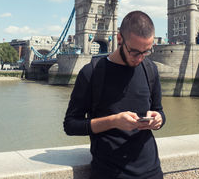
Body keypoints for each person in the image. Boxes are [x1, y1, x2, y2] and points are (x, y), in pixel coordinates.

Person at [63, 10, 166, 179]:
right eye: (134, 52)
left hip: (152, 172)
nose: (140, 58)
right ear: (119, 39)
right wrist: (114, 121)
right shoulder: (92, 73)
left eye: (146, 51)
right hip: (109, 173)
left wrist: (158, 119)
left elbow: (159, 111)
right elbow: (71, 125)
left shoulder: (150, 70)